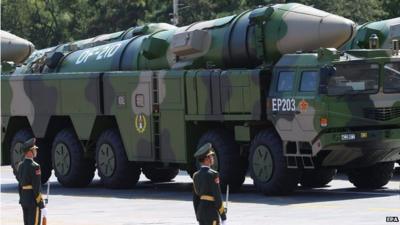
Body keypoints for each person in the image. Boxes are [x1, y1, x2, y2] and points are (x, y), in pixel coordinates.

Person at [192, 143, 227, 225]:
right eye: (211, 156)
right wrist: (223, 216)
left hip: (201, 212)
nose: (212, 158)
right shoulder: (213, 174)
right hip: (211, 212)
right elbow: (217, 196)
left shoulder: (195, 175)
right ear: (206, 159)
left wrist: (198, 214)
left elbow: (195, 199)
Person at [17, 138, 47, 225]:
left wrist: (22, 198)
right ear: (30, 151)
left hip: (24, 201)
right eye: (34, 149)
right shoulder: (35, 166)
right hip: (33, 202)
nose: (36, 151)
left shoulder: (20, 166)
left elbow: (20, 186)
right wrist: (42, 205)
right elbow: (36, 188)